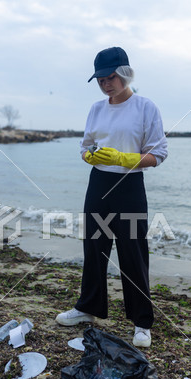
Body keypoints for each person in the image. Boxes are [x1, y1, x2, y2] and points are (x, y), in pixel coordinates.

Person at [55, 47, 168, 347]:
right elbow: (84, 147)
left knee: (133, 252)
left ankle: (142, 323)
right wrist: (90, 156)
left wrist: (124, 158)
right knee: (95, 247)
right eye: (101, 79)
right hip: (99, 183)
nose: (106, 84)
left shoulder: (146, 107)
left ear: (126, 73)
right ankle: (87, 308)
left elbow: (158, 154)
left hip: (129, 185)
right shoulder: (96, 109)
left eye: (111, 77)